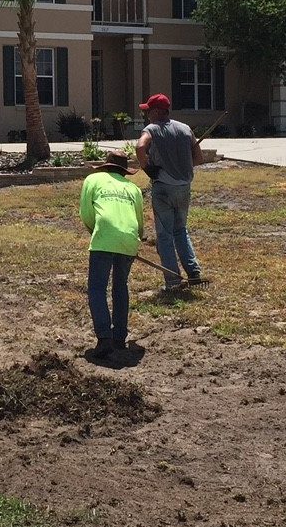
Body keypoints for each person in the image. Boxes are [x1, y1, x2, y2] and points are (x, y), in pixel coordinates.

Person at [79, 149, 146, 360]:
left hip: (104, 239)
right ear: (124, 171)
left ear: (106, 165)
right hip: (129, 238)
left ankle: (104, 339)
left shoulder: (93, 179)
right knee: (120, 287)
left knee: (97, 288)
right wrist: (133, 241)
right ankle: (119, 338)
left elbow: (86, 213)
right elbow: (140, 221)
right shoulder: (133, 188)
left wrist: (96, 232)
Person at [134, 93, 206, 291]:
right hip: (184, 187)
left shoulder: (152, 129)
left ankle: (173, 280)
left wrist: (147, 167)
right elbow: (198, 158)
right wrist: (181, 163)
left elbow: (140, 147)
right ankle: (193, 272)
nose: (147, 115)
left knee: (165, 235)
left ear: (157, 112)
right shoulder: (185, 129)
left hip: (163, 188)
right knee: (180, 229)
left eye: (149, 111)